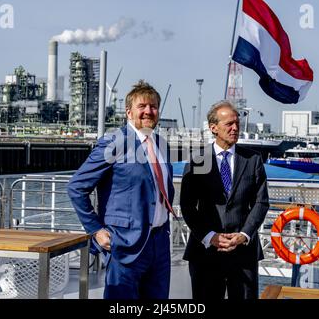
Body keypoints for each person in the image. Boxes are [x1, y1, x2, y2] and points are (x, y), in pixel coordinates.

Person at [67, 80, 174, 299]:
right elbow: (76, 187)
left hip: (160, 244)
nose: (148, 111)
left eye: (153, 106)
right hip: (125, 243)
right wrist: (96, 230)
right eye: (142, 106)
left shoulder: (161, 145)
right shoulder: (113, 143)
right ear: (128, 112)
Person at [180, 100, 269, 300]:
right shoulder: (198, 160)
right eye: (229, 124)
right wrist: (210, 236)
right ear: (213, 128)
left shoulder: (253, 160)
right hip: (206, 252)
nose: (235, 128)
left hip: (243, 253)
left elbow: (261, 202)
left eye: (237, 123)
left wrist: (244, 235)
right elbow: (187, 205)